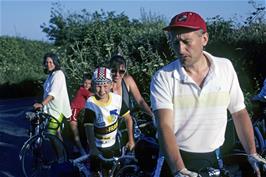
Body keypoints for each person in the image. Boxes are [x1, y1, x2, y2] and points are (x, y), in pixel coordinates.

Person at [150, 11, 266, 177]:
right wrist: (179, 170)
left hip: (213, 157)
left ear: (204, 39)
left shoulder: (225, 68)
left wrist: (252, 153)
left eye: (186, 41)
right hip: (175, 158)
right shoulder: (164, 77)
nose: (180, 49)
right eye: (175, 43)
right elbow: (164, 126)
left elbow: (239, 112)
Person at [83, 67, 135, 175]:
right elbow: (88, 127)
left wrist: (131, 140)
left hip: (113, 144)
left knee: (111, 171)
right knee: (95, 172)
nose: (102, 90)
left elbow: (128, 118)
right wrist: (92, 147)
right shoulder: (91, 103)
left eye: (105, 86)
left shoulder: (117, 99)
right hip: (97, 145)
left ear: (111, 85)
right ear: (93, 86)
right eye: (98, 86)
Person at [33, 52, 72, 139]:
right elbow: (46, 92)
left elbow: (52, 94)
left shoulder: (58, 74)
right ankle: (62, 152)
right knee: (57, 135)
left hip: (57, 110)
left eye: (51, 62)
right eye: (47, 62)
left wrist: (42, 104)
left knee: (52, 135)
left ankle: (62, 152)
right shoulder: (51, 75)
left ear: (55, 62)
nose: (48, 64)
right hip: (51, 110)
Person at [69, 74, 93, 156]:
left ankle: (77, 149)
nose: (87, 85)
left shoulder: (85, 90)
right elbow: (92, 95)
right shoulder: (82, 90)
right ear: (83, 82)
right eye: (85, 83)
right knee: (75, 132)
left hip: (78, 113)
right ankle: (81, 151)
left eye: (89, 83)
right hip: (74, 111)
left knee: (79, 131)